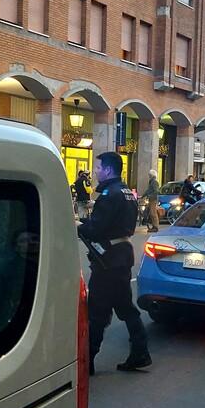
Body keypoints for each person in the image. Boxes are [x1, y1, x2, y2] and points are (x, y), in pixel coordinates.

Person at [78, 152, 151, 373]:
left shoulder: (109, 194)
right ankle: (140, 352)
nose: (96, 171)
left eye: (98, 167)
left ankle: (86, 361)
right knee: (126, 308)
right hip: (121, 256)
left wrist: (79, 227)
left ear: (108, 170)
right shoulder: (127, 192)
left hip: (108, 260)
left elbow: (97, 228)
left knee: (97, 313)